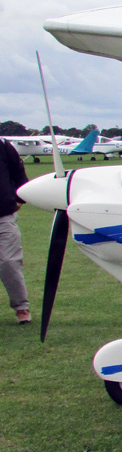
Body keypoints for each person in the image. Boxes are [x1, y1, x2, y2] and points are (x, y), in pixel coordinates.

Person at [0, 138, 30, 324]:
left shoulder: (3, 145)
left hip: (3, 216)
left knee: (9, 262)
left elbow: (19, 173)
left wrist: (19, 199)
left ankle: (21, 307)